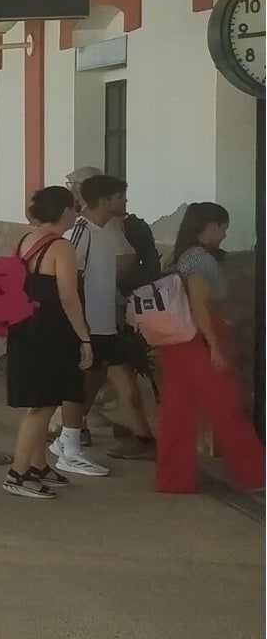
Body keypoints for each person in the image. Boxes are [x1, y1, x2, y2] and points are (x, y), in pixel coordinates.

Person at [155, 203, 264, 494]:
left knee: (177, 410)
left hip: (177, 340)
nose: (225, 234)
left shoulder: (180, 256)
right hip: (200, 338)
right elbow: (200, 305)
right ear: (211, 226)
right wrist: (215, 345)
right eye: (223, 228)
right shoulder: (201, 259)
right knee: (227, 406)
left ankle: (173, 478)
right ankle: (255, 473)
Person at [50, 175, 156, 472]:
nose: (124, 202)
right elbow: (73, 280)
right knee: (85, 382)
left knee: (107, 380)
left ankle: (138, 438)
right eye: (121, 196)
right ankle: (68, 442)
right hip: (90, 326)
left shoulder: (104, 231)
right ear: (105, 199)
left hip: (107, 324)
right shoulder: (81, 232)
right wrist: (79, 327)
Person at [2, 187, 91, 498]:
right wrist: (85, 338)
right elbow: (69, 297)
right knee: (41, 406)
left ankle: (38, 464)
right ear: (64, 211)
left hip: (25, 328)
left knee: (43, 399)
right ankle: (18, 472)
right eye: (73, 207)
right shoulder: (61, 248)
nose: (76, 213)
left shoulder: (27, 240)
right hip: (51, 332)